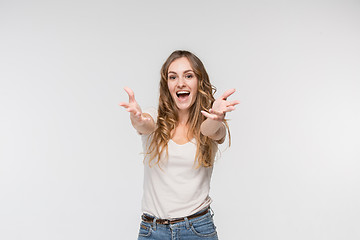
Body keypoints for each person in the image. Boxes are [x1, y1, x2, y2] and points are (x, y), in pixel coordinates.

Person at [119, 50, 240, 239]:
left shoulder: (210, 123)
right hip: (153, 231)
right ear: (166, 84)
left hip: (197, 229)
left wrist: (217, 118)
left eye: (188, 76)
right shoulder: (155, 117)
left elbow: (210, 130)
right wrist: (137, 117)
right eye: (173, 77)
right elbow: (144, 123)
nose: (180, 83)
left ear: (199, 82)